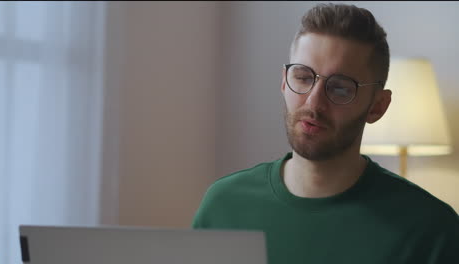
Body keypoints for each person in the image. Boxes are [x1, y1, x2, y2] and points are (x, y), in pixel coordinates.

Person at [192, 3, 459, 264]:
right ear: (284, 83)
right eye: (303, 77)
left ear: (377, 107)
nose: (313, 103)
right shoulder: (224, 205)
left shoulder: (431, 229)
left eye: (341, 88)